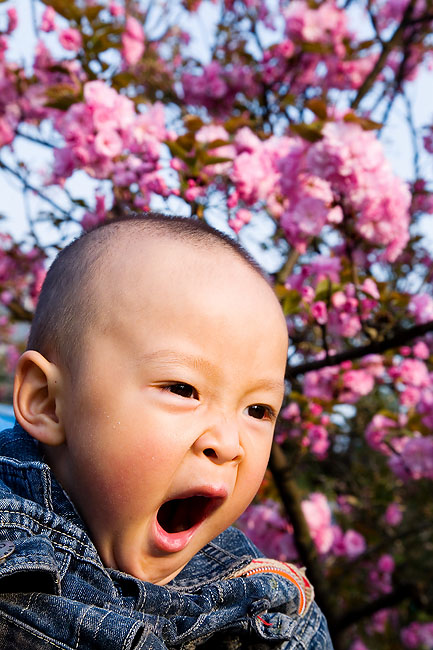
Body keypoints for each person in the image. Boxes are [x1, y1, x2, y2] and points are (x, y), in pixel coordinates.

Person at [0, 213, 333, 649]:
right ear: (47, 401)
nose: (228, 444)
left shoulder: (269, 607)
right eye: (183, 389)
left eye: (258, 409)